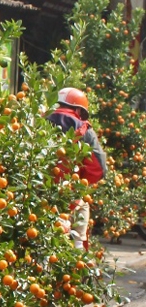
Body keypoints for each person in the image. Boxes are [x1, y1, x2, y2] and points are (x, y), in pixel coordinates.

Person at [46, 87, 107, 248]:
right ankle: (78, 253)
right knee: (82, 208)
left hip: (38, 194)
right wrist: (80, 180)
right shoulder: (84, 129)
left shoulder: (38, 122)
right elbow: (98, 169)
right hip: (69, 195)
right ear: (79, 109)